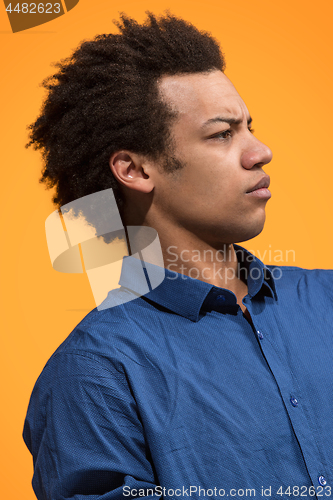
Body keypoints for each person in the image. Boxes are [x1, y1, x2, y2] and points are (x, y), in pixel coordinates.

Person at [23, 12, 333, 500]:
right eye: (222, 134)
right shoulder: (94, 373)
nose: (261, 151)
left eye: (250, 127)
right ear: (135, 169)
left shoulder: (328, 298)